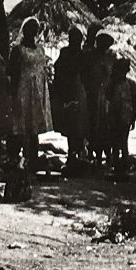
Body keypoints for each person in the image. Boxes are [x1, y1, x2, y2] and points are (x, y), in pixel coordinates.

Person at [8, 17, 54, 172]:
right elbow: (13, 73)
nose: (33, 31)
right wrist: (14, 95)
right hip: (23, 89)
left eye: (35, 29)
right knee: (20, 126)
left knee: (34, 128)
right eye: (30, 28)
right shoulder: (18, 50)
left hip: (38, 91)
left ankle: (32, 160)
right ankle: (15, 159)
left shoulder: (40, 49)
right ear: (24, 30)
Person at [52, 27, 88, 173]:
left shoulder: (82, 55)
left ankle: (77, 155)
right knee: (71, 125)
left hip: (78, 91)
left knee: (78, 125)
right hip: (69, 90)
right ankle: (72, 155)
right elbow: (59, 69)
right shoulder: (66, 53)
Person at [103, 57, 136, 181]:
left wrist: (133, 118)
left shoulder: (130, 85)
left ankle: (122, 167)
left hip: (124, 116)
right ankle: (117, 167)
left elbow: (135, 103)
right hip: (116, 115)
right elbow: (108, 97)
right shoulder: (115, 84)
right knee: (116, 142)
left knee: (122, 142)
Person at [80, 32, 116, 166]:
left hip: (105, 96)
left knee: (105, 126)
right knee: (92, 124)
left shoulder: (110, 57)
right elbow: (84, 74)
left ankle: (104, 154)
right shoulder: (89, 56)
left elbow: (112, 76)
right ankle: (91, 154)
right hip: (92, 94)